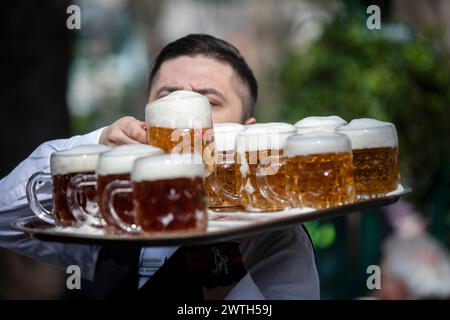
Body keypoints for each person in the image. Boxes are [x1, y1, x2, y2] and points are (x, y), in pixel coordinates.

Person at [0, 34, 319, 299]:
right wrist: (99, 142)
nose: (185, 117)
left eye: (210, 102)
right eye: (167, 97)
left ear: (247, 131)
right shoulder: (116, 207)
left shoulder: (275, 233)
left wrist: (221, 263)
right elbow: (4, 219)